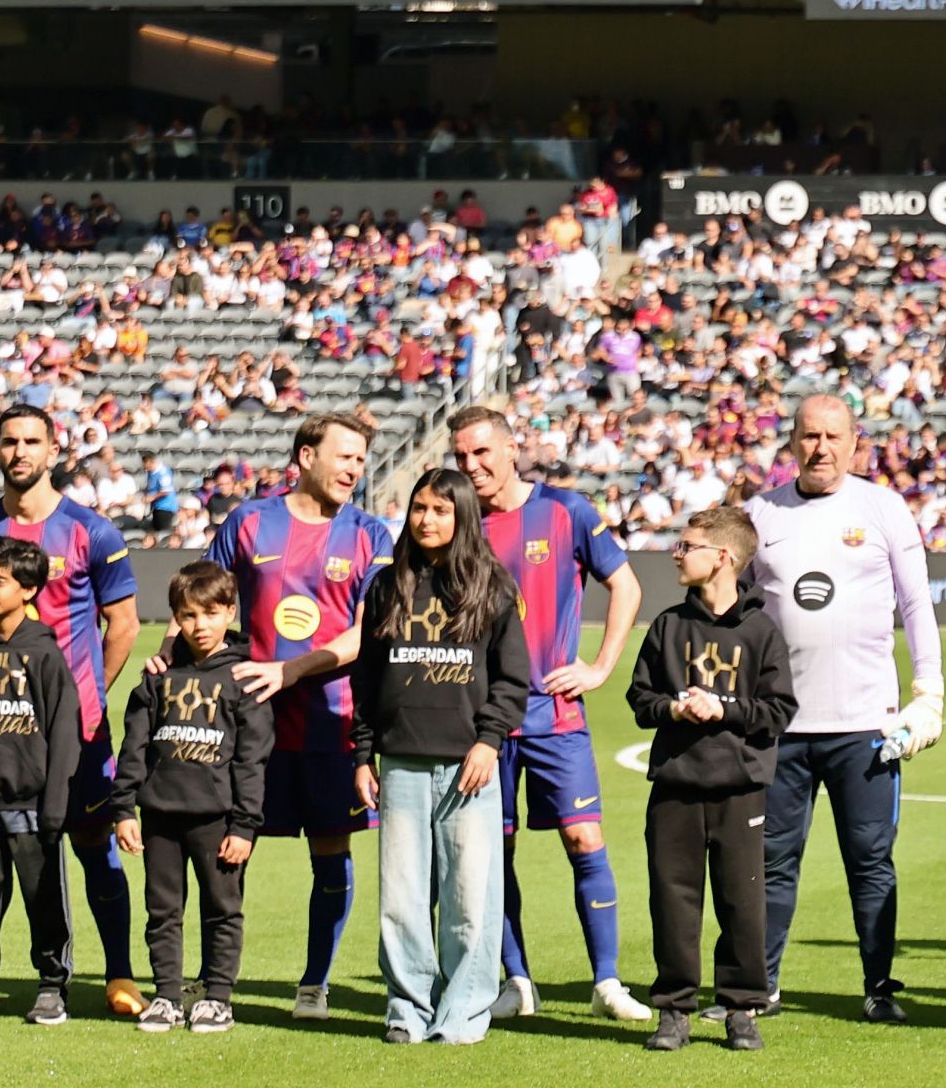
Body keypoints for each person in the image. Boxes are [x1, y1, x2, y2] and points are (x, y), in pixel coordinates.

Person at [449, 406, 651, 1026]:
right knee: (493, 852)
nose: (471, 466)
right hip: (483, 720)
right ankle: (515, 980)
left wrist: (599, 666)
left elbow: (627, 585)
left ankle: (607, 981)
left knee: (582, 837)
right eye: (460, 457)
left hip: (554, 712)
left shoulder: (565, 511)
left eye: (482, 453)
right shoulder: (457, 523)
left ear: (513, 450)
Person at [748, 395, 945, 1024]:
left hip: (865, 725)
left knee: (870, 863)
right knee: (773, 862)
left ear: (856, 441)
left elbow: (916, 605)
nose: (821, 448)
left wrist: (929, 691)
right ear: (793, 440)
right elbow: (738, 613)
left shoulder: (884, 508)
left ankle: (879, 987)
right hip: (782, 727)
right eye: (810, 436)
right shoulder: (762, 513)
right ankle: (763, 986)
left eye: (834, 436)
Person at [207, 411, 394, 1021]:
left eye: (361, 460)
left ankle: (314, 983)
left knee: (330, 850)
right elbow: (203, 601)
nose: (354, 470)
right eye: (344, 456)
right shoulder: (250, 521)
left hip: (331, 723)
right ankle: (215, 985)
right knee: (229, 847)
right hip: (247, 726)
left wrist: (290, 671)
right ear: (306, 456)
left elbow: (369, 634)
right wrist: (168, 663)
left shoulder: (371, 534)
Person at [351, 470, 529, 1049]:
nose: (427, 520)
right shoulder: (385, 587)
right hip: (400, 761)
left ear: (463, 517)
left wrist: (488, 740)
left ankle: (463, 1013)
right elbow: (366, 680)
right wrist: (362, 754)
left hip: (467, 764)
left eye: (440, 510)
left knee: (469, 899)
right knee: (401, 900)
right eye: (419, 509)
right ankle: (407, 1008)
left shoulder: (493, 587)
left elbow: (511, 680)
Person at [628, 503, 797, 1055]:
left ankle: (742, 1008)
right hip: (675, 785)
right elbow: (640, 698)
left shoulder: (762, 631)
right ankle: (675, 1008)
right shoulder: (669, 625)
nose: (677, 554)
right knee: (672, 901)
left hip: (740, 787)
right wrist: (674, 710)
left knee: (742, 902)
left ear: (723, 557)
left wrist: (722, 710)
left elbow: (777, 711)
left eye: (687, 546)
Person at [0, 406, 144, 1020]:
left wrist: (89, 697)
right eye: (9, 441)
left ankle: (118, 973)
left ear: (53, 450)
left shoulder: (91, 530)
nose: (20, 451)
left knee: (92, 844)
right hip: (0, 730)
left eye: (32, 441)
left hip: (75, 729)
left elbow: (125, 624)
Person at [110, 561, 270, 1034]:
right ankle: (167, 996)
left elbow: (252, 761)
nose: (200, 626)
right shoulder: (157, 676)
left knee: (221, 909)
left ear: (230, 612)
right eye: (188, 616)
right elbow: (133, 747)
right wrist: (124, 810)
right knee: (162, 911)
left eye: (211, 614)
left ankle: (217, 997)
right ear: (175, 618)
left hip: (218, 821)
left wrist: (245, 826)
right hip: (160, 815)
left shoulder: (245, 680)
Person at [0, 538, 81, 1021]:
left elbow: (64, 730)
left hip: (32, 808)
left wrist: (55, 803)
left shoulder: (44, 654)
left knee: (44, 901)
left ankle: (52, 985)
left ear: (26, 589)